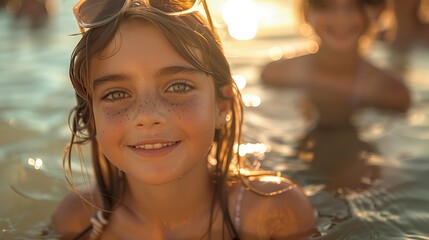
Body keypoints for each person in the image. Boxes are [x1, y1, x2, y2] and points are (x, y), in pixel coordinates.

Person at [45, 0, 316, 239]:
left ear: (222, 106)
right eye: (116, 93)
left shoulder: (272, 214)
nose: (148, 116)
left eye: (178, 87)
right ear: (91, 117)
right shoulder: (80, 219)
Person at [261, 0, 410, 127]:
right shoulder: (275, 74)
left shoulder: (392, 93)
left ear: (377, 12)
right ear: (306, 12)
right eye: (326, 5)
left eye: (354, 5)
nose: (341, 18)